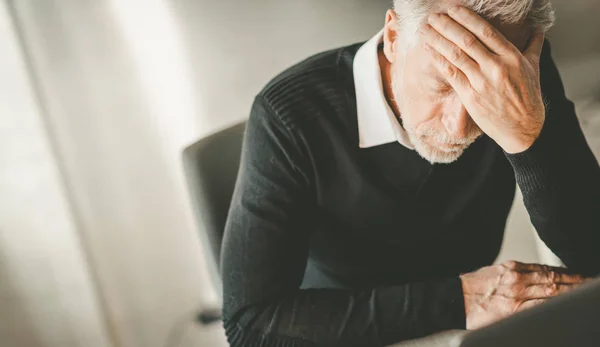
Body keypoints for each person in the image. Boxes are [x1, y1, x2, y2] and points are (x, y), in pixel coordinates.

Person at [221, 1, 600, 346]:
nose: (458, 126)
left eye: (481, 95)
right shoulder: (290, 116)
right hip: (337, 331)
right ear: (393, 37)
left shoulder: (513, 77)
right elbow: (249, 325)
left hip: (474, 329)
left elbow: (594, 255)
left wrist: (526, 138)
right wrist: (461, 299)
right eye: (441, 84)